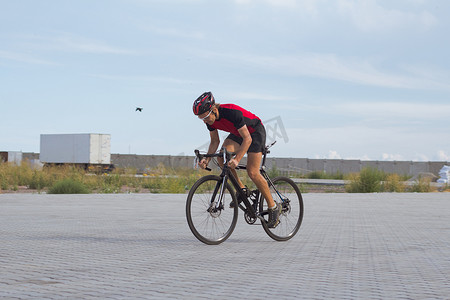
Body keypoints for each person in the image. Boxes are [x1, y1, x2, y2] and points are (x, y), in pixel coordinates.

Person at [193, 91, 281, 228]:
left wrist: (237, 159)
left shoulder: (232, 112)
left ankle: (273, 207)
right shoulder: (210, 120)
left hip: (254, 132)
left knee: (253, 172)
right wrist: (207, 160)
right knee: (222, 157)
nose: (204, 120)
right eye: (201, 118)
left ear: (214, 109)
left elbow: (248, 139)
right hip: (238, 133)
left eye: (205, 117)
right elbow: (214, 141)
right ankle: (242, 189)